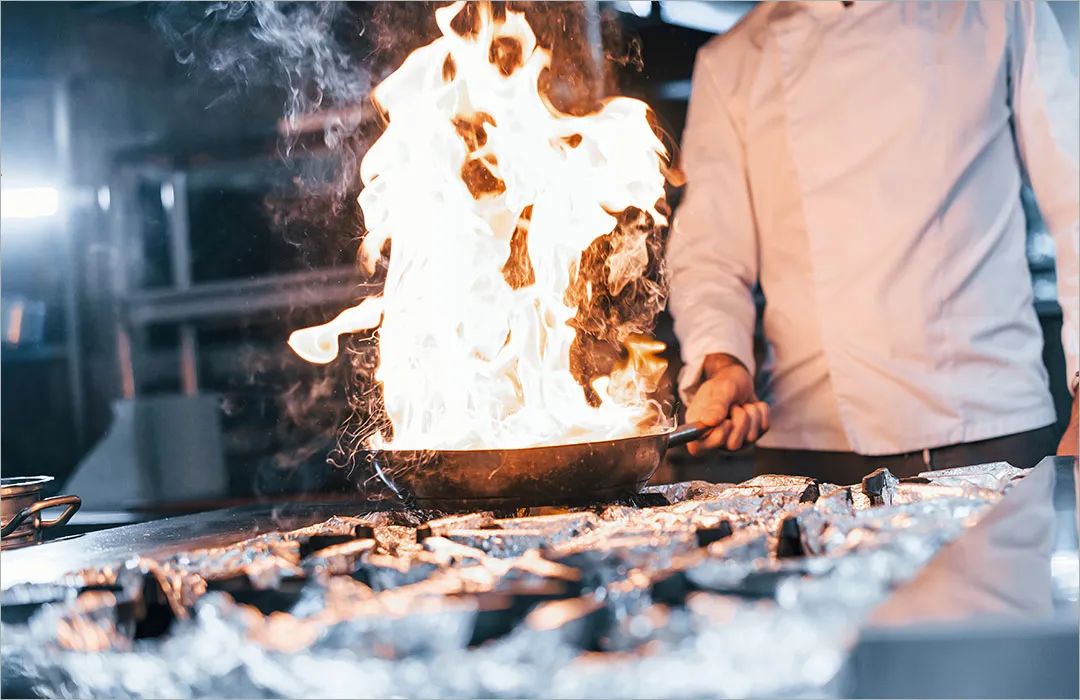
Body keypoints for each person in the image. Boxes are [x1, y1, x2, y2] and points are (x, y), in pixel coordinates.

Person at [667, 1, 1079, 484]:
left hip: (989, 424)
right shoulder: (734, 58)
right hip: (808, 449)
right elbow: (708, 256)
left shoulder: (999, 11)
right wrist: (722, 361)